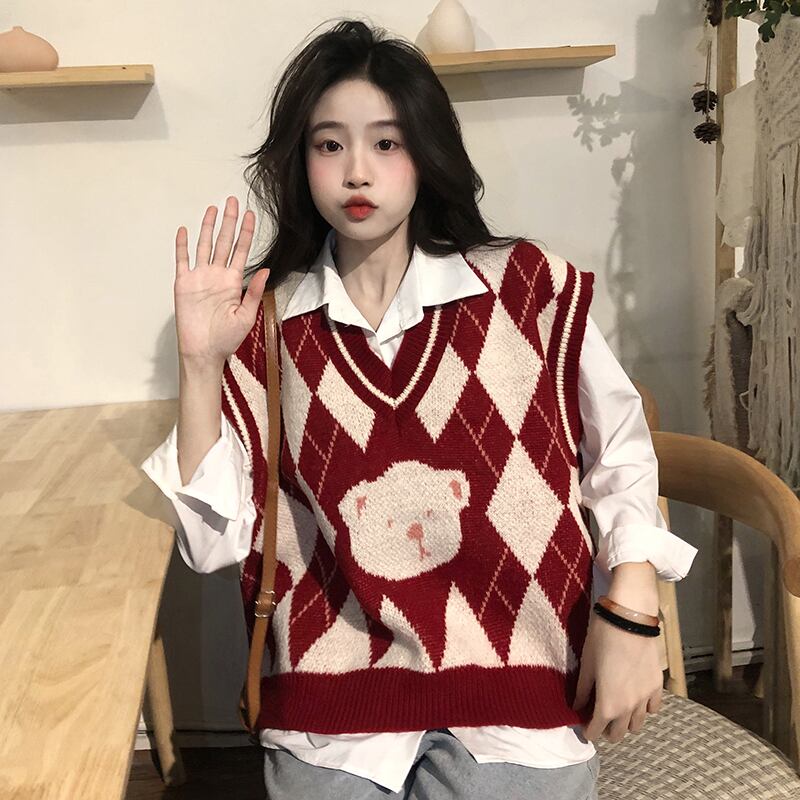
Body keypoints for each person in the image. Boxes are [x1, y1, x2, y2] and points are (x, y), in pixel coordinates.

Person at [141, 17, 699, 800]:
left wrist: (633, 605)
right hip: (333, 712)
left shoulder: (525, 290)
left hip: (521, 691)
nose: (356, 172)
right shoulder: (267, 324)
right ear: (299, 161)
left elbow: (621, 451)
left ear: (427, 152)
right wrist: (201, 364)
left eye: (387, 142)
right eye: (329, 145)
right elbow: (211, 545)